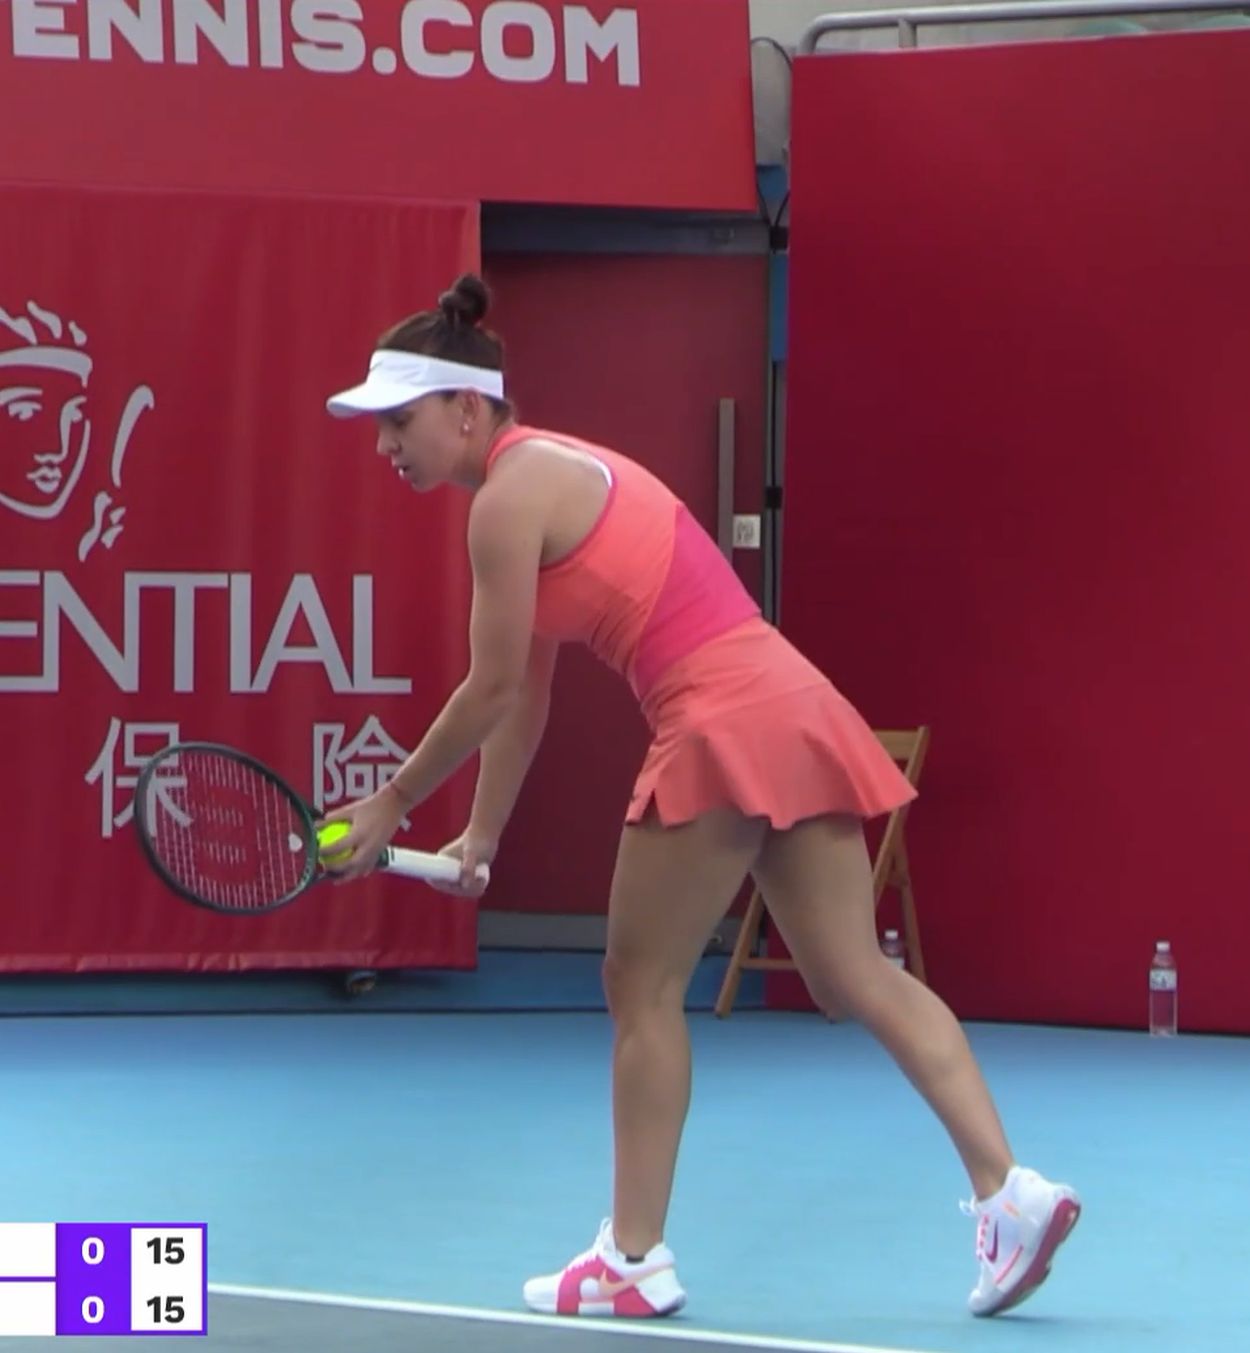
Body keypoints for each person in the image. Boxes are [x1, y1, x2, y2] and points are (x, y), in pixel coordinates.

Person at [320, 274, 1081, 1321]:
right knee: (856, 973)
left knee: (639, 985)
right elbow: (523, 699)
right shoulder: (550, 470)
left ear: (463, 407)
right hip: (788, 698)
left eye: (398, 421)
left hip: (718, 717)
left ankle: (632, 1260)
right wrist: (479, 836)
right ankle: (1011, 1191)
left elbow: (487, 689)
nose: (384, 445)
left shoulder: (504, 502)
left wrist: (390, 804)